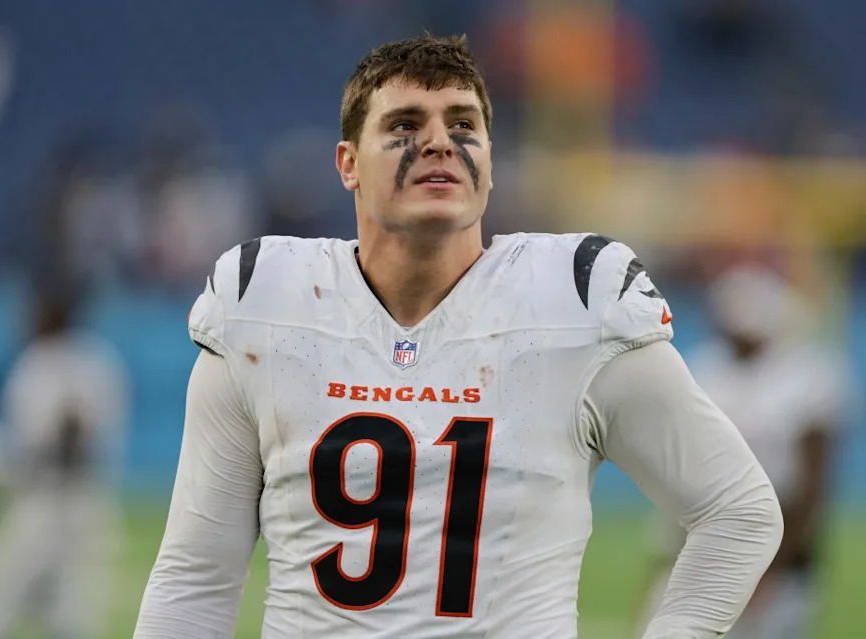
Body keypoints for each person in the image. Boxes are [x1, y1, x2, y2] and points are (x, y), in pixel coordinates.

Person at [134, 34, 782, 638]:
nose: (439, 142)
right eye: (405, 125)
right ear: (348, 163)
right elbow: (196, 575)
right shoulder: (267, 301)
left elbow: (738, 511)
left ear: (489, 164)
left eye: (462, 125)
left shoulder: (577, 300)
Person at [634, 265, 849, 639]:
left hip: (781, 549)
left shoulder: (808, 375)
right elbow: (680, 476)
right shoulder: (704, 367)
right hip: (702, 541)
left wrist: (769, 568)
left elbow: (812, 485)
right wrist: (668, 555)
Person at [0, 287, 128, 639]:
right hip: (89, 503)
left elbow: (43, 445)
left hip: (47, 501)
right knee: (69, 614)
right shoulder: (98, 359)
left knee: (1, 600)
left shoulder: (41, 363)